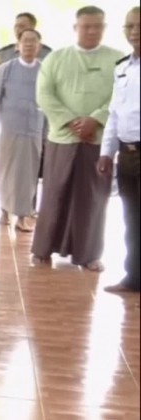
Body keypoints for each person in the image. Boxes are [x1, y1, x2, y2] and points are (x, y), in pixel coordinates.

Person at [32, 5, 123, 272]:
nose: (92, 31)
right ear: (75, 28)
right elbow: (44, 94)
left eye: (98, 26)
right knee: (54, 194)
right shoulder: (56, 58)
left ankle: (88, 254)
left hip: (98, 139)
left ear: (105, 28)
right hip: (62, 137)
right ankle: (43, 249)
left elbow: (121, 96)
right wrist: (71, 121)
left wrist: (96, 119)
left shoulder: (118, 60)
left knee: (93, 198)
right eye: (86, 26)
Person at [0, 29, 45, 233]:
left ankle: (22, 216)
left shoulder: (45, 71)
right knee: (6, 173)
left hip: (34, 131)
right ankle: (4, 211)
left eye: (33, 41)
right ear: (18, 46)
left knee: (29, 176)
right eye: (25, 41)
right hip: (9, 131)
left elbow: (50, 103)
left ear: (39, 46)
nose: (29, 44)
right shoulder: (6, 69)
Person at [98, 6, 140, 294]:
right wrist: (106, 151)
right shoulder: (122, 67)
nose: (135, 32)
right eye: (130, 26)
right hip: (126, 153)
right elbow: (114, 113)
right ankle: (133, 277)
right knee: (132, 219)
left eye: (140, 26)